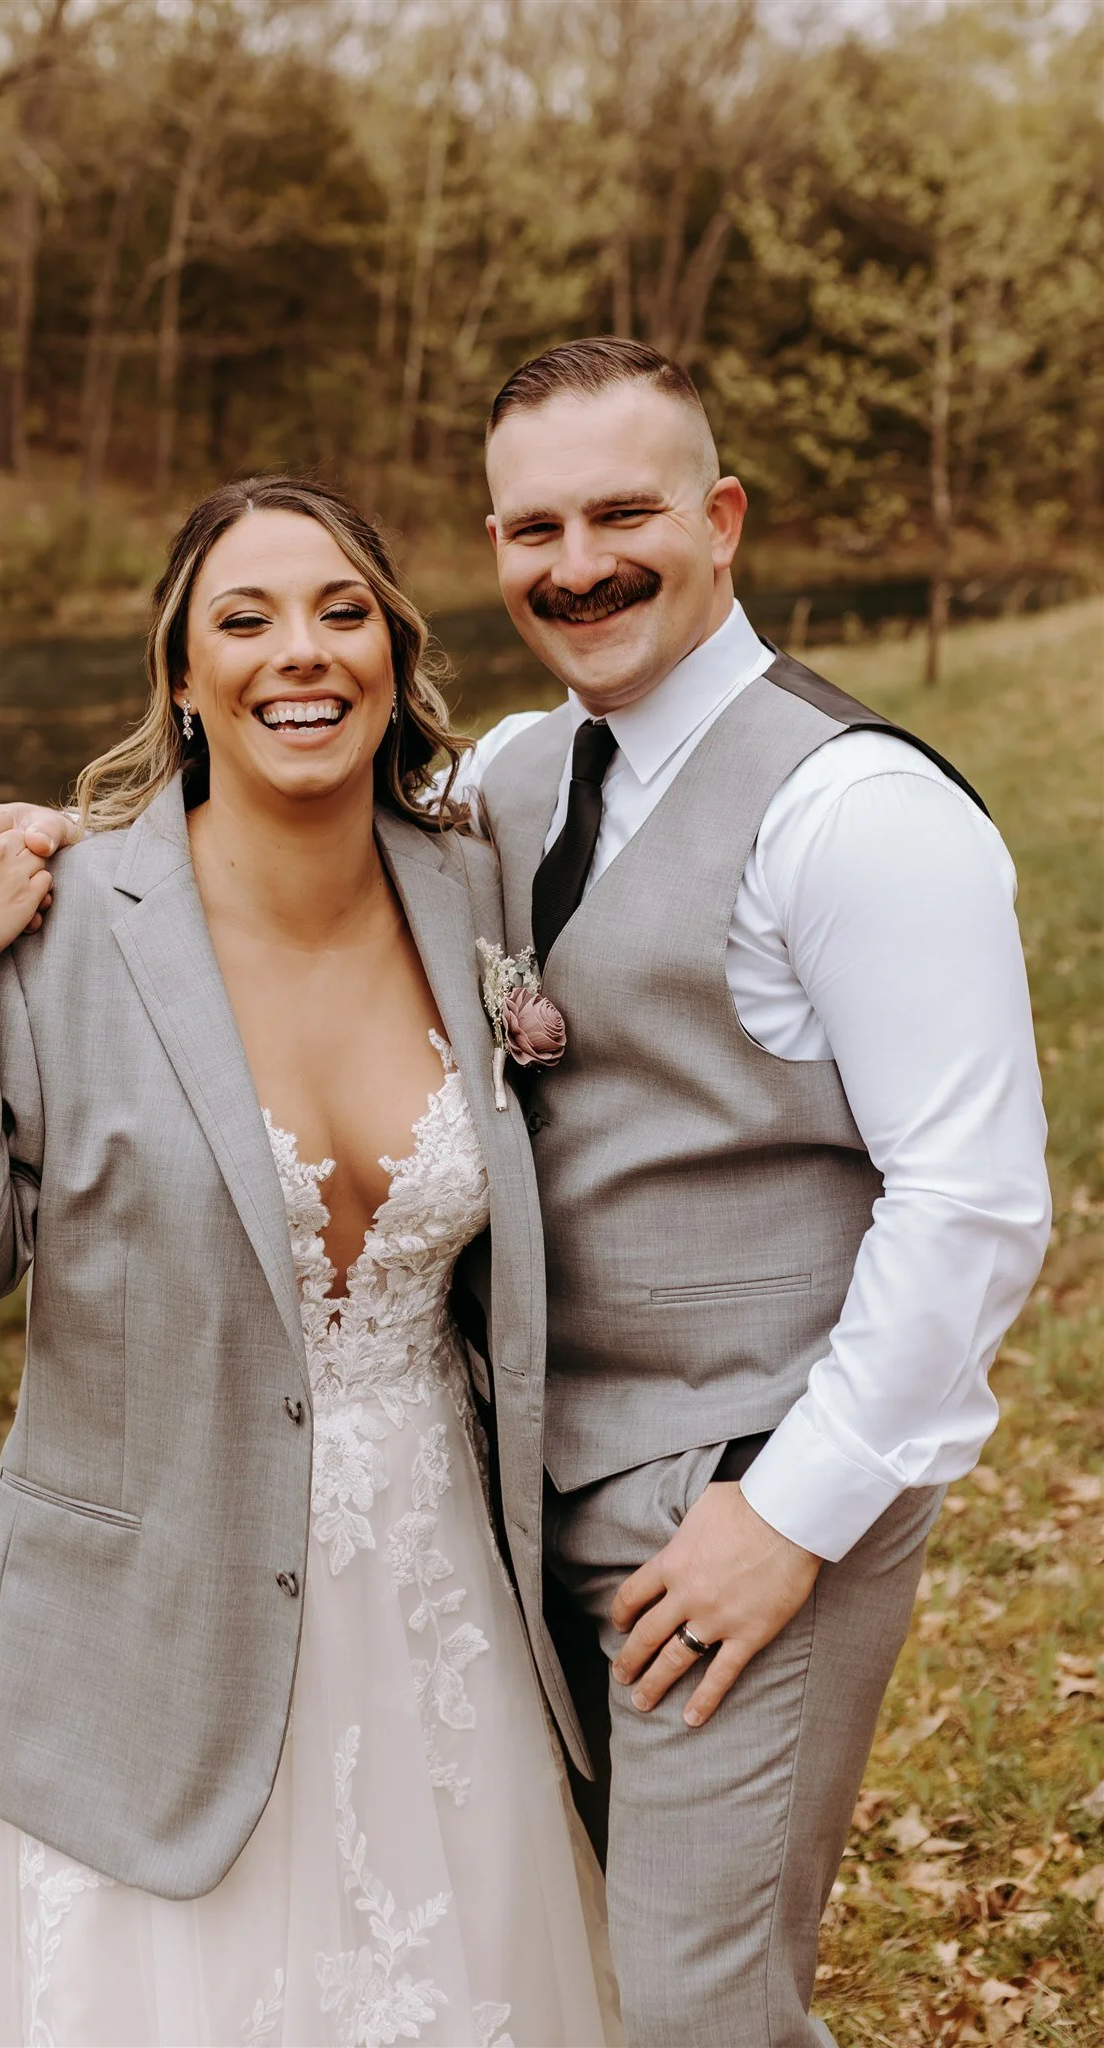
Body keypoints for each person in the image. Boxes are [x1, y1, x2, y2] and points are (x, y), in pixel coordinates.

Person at [0, 478, 615, 2047]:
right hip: (139, 1624)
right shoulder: (63, 924)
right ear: (184, 678)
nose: (304, 653)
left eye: (343, 611)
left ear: (395, 656)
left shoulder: (471, 884)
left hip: (434, 1609)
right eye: (248, 617)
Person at [459, 337, 1052, 2046]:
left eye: (624, 511)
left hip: (742, 1492)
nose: (576, 565)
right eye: (530, 528)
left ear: (722, 519)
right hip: (533, 1483)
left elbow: (974, 1205)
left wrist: (787, 1518)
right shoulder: (512, 772)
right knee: (569, 1956)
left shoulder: (857, 811)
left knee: (696, 2007)